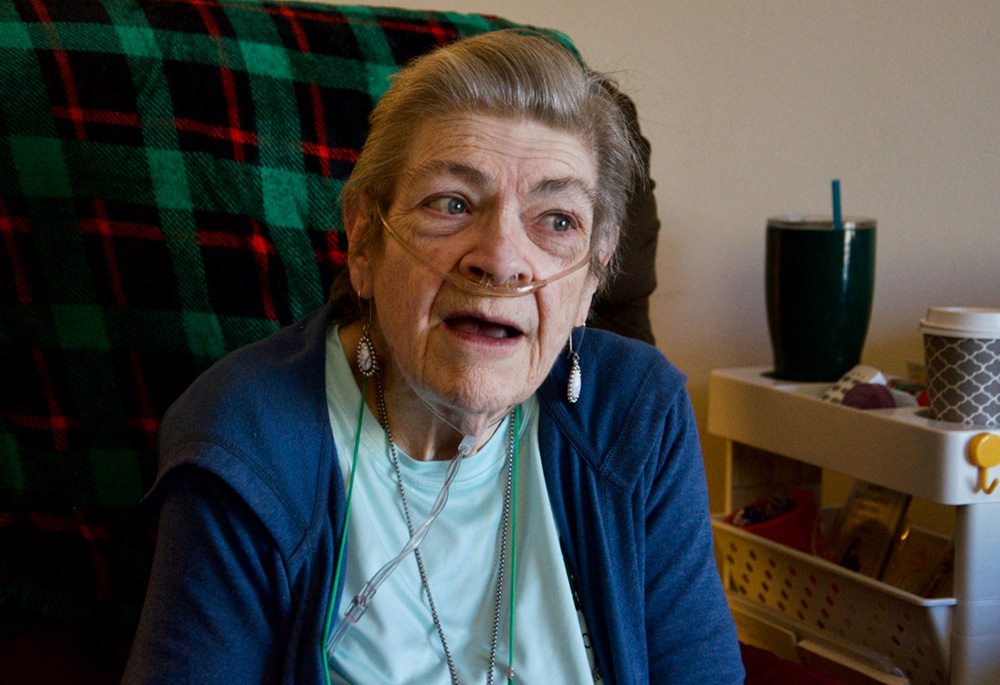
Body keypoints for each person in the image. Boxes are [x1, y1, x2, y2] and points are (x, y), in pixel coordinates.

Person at [123, 30, 743, 684]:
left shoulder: (639, 415)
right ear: (364, 237)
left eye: (556, 220)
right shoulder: (246, 441)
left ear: (594, 274)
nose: (501, 259)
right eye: (452, 203)